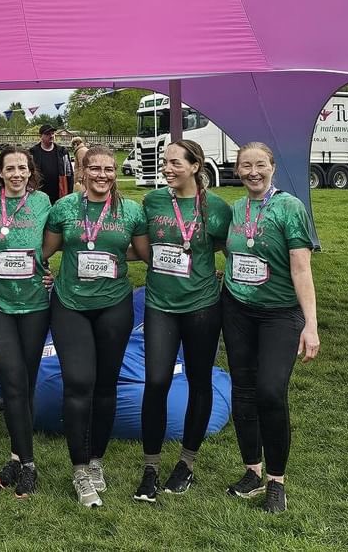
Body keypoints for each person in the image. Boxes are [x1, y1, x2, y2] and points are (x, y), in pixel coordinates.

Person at [42, 145, 148, 508]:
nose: (103, 175)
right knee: (78, 383)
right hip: (70, 304)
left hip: (114, 305)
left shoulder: (131, 211)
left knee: (105, 386)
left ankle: (96, 459)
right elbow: (44, 250)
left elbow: (144, 252)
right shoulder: (64, 209)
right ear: (82, 172)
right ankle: (79, 469)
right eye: (96, 169)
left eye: (109, 169)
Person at [222, 142, 319, 514]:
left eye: (259, 165)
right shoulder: (236, 208)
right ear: (238, 170)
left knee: (270, 392)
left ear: (273, 167)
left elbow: (301, 268)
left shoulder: (290, 208)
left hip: (280, 313)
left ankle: (276, 481)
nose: (253, 172)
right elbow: (235, 252)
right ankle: (252, 471)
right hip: (237, 310)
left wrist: (310, 324)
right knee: (243, 392)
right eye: (245, 166)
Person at [134, 140, 232, 504]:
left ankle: (186, 463)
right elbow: (140, 243)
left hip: (203, 305)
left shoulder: (217, 208)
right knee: (156, 381)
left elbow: (229, 245)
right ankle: (150, 468)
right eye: (164, 162)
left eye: (175, 162)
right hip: (160, 303)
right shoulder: (153, 202)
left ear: (195, 166)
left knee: (199, 380)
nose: (167, 168)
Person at [0, 146, 52, 498]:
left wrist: (48, 272)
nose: (16, 174)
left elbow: (59, 241)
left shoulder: (43, 202)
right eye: (10, 169)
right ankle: (30, 465)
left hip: (34, 303)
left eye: (22, 168)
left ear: (29, 171)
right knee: (13, 379)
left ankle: (17, 456)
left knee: (26, 381)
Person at [30, 125, 71, 203]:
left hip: (59, 192)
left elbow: (69, 173)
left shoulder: (62, 152)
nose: (51, 136)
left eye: (52, 133)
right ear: (41, 136)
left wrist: (69, 192)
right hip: (39, 192)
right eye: (48, 134)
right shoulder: (33, 152)